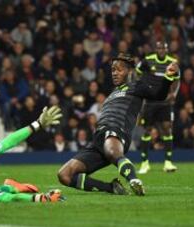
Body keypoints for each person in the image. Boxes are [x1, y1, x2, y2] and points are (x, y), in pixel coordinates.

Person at [57, 53, 179, 196]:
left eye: (119, 69)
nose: (114, 73)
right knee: (64, 175)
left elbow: (159, 94)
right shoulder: (113, 92)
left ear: (129, 71)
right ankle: (111, 188)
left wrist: (168, 78)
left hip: (117, 131)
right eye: (113, 70)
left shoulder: (136, 86)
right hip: (98, 140)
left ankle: (134, 181)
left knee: (112, 151)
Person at [136, 42, 180, 174]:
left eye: (164, 48)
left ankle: (168, 163)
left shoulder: (172, 61)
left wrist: (173, 93)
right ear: (156, 49)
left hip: (164, 101)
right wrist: (143, 86)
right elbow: (137, 71)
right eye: (159, 48)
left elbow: (177, 78)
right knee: (147, 130)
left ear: (167, 49)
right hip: (150, 101)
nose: (161, 50)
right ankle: (144, 164)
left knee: (167, 129)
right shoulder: (148, 60)